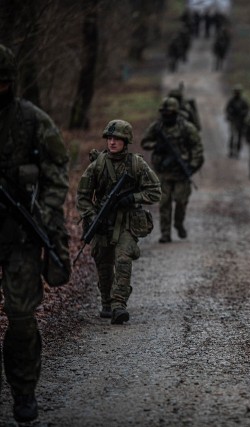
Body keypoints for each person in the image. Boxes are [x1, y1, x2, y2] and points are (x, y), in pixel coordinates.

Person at [0, 43, 70, 423]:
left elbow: (58, 168)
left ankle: (24, 391)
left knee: (22, 318)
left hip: (22, 234)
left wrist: (44, 213)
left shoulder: (32, 120)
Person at [77, 120, 161, 324]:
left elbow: (155, 191)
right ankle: (106, 302)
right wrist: (91, 216)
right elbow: (83, 196)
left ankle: (118, 305)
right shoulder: (97, 165)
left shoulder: (136, 164)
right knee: (103, 262)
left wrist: (132, 198)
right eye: (110, 138)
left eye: (117, 139)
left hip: (126, 222)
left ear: (126, 141)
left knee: (123, 259)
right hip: (102, 221)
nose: (113, 142)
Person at [141, 97, 203, 243]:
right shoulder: (157, 127)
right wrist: (156, 146)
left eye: (169, 113)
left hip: (181, 172)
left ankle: (178, 224)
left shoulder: (187, 128)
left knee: (181, 201)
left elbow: (197, 147)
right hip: (163, 171)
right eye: (164, 113)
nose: (166, 116)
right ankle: (165, 233)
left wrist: (192, 165)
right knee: (164, 203)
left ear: (176, 113)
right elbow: (145, 142)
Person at [225, 84, 249, 158]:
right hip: (233, 120)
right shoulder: (231, 100)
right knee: (232, 136)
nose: (237, 93)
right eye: (236, 92)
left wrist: (243, 113)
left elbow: (247, 109)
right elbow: (227, 109)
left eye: (238, 92)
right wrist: (230, 115)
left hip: (241, 121)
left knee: (239, 137)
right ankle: (231, 151)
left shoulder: (243, 101)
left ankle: (238, 151)